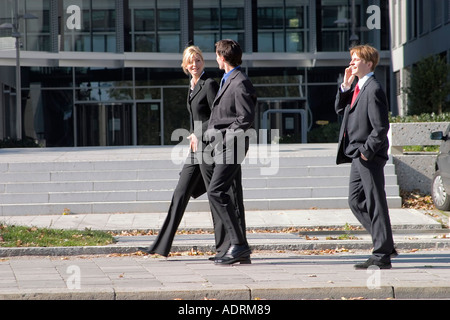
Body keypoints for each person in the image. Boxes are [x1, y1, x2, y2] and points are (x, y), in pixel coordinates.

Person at [139, 45, 220, 257]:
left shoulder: (209, 84)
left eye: (198, 60)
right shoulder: (192, 85)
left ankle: (226, 247)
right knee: (180, 193)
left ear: (204, 62)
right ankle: (160, 246)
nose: (195, 64)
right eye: (191, 61)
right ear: (185, 65)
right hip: (196, 150)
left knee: (216, 197)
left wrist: (198, 134)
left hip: (209, 149)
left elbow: (217, 118)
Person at [335, 44, 397, 269]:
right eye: (351, 58)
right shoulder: (358, 86)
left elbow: (380, 127)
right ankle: (385, 244)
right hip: (356, 153)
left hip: (367, 155)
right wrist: (346, 85)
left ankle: (382, 255)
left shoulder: (374, 88)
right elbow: (340, 111)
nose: (351, 62)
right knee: (355, 201)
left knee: (375, 203)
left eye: (356, 59)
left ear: (369, 63)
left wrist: (366, 152)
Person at [203, 39, 257, 265]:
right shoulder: (228, 79)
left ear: (222, 57)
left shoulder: (240, 81)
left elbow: (245, 118)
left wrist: (224, 138)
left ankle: (239, 245)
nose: (215, 59)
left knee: (216, 191)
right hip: (223, 146)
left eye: (216, 55)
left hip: (232, 146)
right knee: (227, 194)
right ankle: (238, 249)